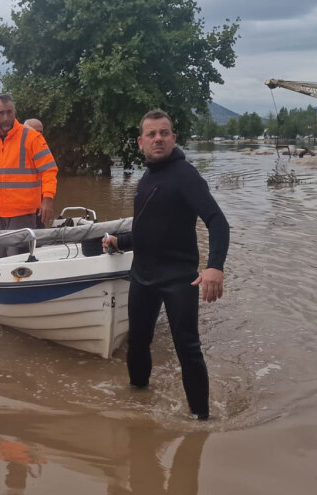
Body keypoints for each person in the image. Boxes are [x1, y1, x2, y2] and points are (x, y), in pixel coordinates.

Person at [102, 109, 229, 420]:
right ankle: (138, 401)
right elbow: (150, 228)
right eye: (151, 134)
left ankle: (202, 420)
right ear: (140, 142)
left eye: (164, 133)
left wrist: (214, 267)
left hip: (178, 278)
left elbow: (217, 221)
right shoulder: (147, 178)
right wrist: (122, 241)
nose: (158, 139)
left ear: (173, 138)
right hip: (143, 276)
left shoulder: (186, 175)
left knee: (188, 348)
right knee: (138, 342)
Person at [0, 95, 58, 257]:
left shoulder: (32, 137)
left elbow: (49, 170)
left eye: (9, 112)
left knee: (16, 256)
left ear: (15, 112)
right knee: (0, 256)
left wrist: (47, 199)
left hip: (23, 211)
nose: (6, 118)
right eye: (1, 113)